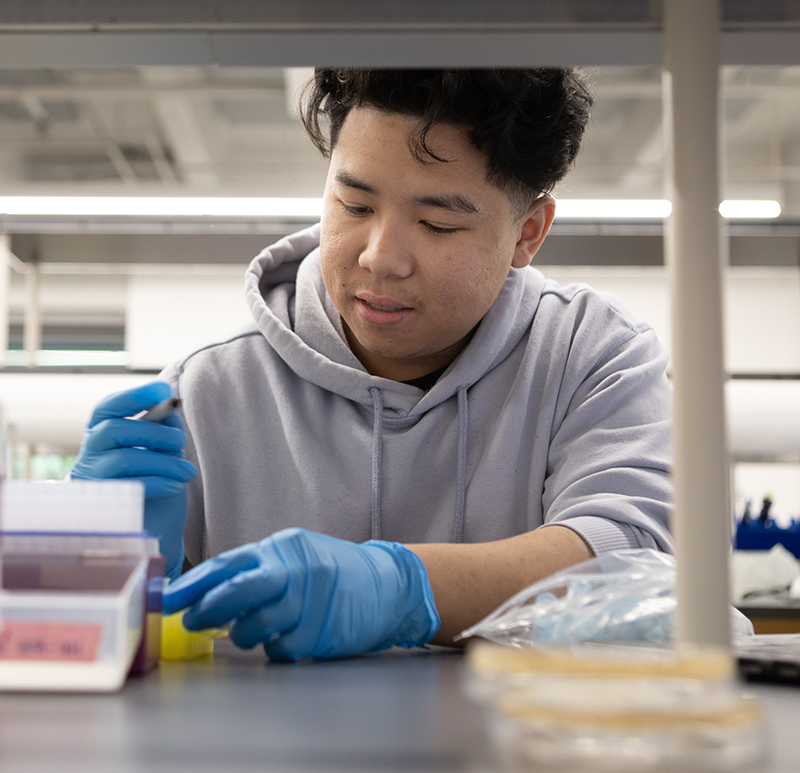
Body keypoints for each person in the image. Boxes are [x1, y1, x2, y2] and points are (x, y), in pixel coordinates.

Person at [72, 69, 673, 661]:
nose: (381, 258)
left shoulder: (592, 357)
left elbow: (638, 563)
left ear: (528, 232)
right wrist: (107, 566)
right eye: (354, 205)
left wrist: (404, 586)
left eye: (438, 223)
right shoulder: (202, 395)